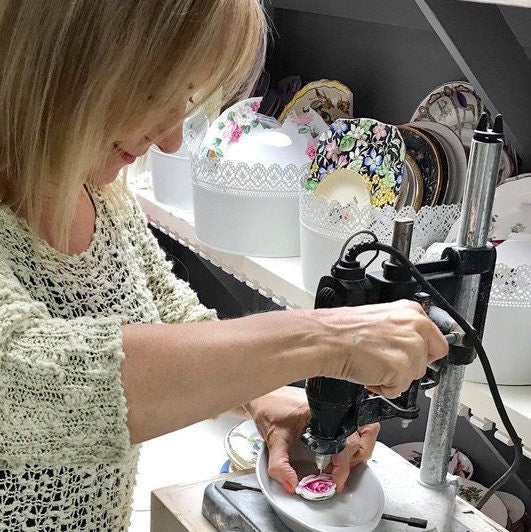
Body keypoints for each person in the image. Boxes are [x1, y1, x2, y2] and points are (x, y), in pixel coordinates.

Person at [0, 1, 448, 530]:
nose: (169, 139)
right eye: (157, 93)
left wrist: (267, 397)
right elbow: (27, 383)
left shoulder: (101, 196)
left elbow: (173, 323)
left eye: (185, 99)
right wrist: (324, 339)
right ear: (72, 51)